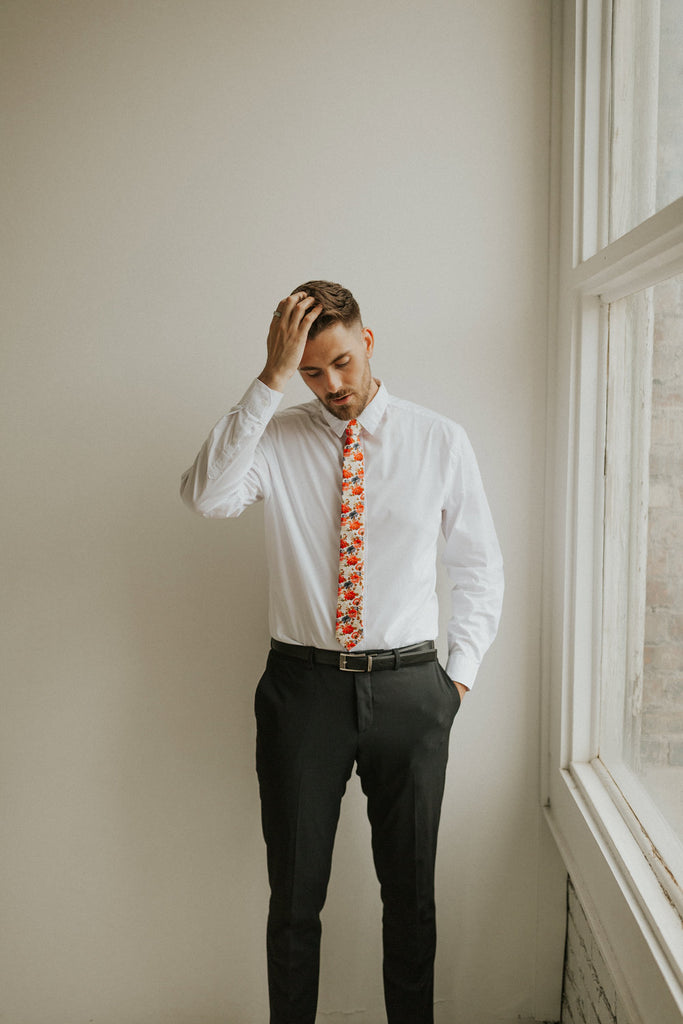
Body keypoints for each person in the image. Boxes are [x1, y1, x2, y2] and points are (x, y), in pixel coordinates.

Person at [180, 280, 504, 1024]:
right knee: (294, 901)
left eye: (342, 363)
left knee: (411, 899)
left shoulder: (438, 440)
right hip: (303, 692)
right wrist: (268, 380)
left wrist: (454, 682)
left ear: (368, 341)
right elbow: (205, 496)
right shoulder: (274, 438)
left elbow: (479, 567)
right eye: (310, 371)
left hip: (411, 690)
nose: (330, 385)